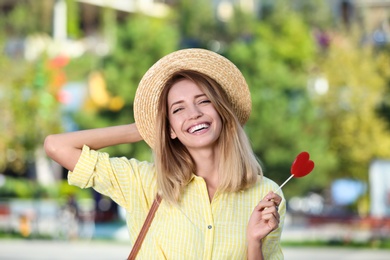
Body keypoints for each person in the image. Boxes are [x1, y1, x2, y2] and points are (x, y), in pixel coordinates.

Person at [44, 48, 285, 259]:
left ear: (221, 111)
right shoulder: (143, 182)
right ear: (170, 128)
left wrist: (254, 243)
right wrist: (145, 128)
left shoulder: (266, 195)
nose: (193, 113)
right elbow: (57, 146)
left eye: (203, 101)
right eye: (178, 109)